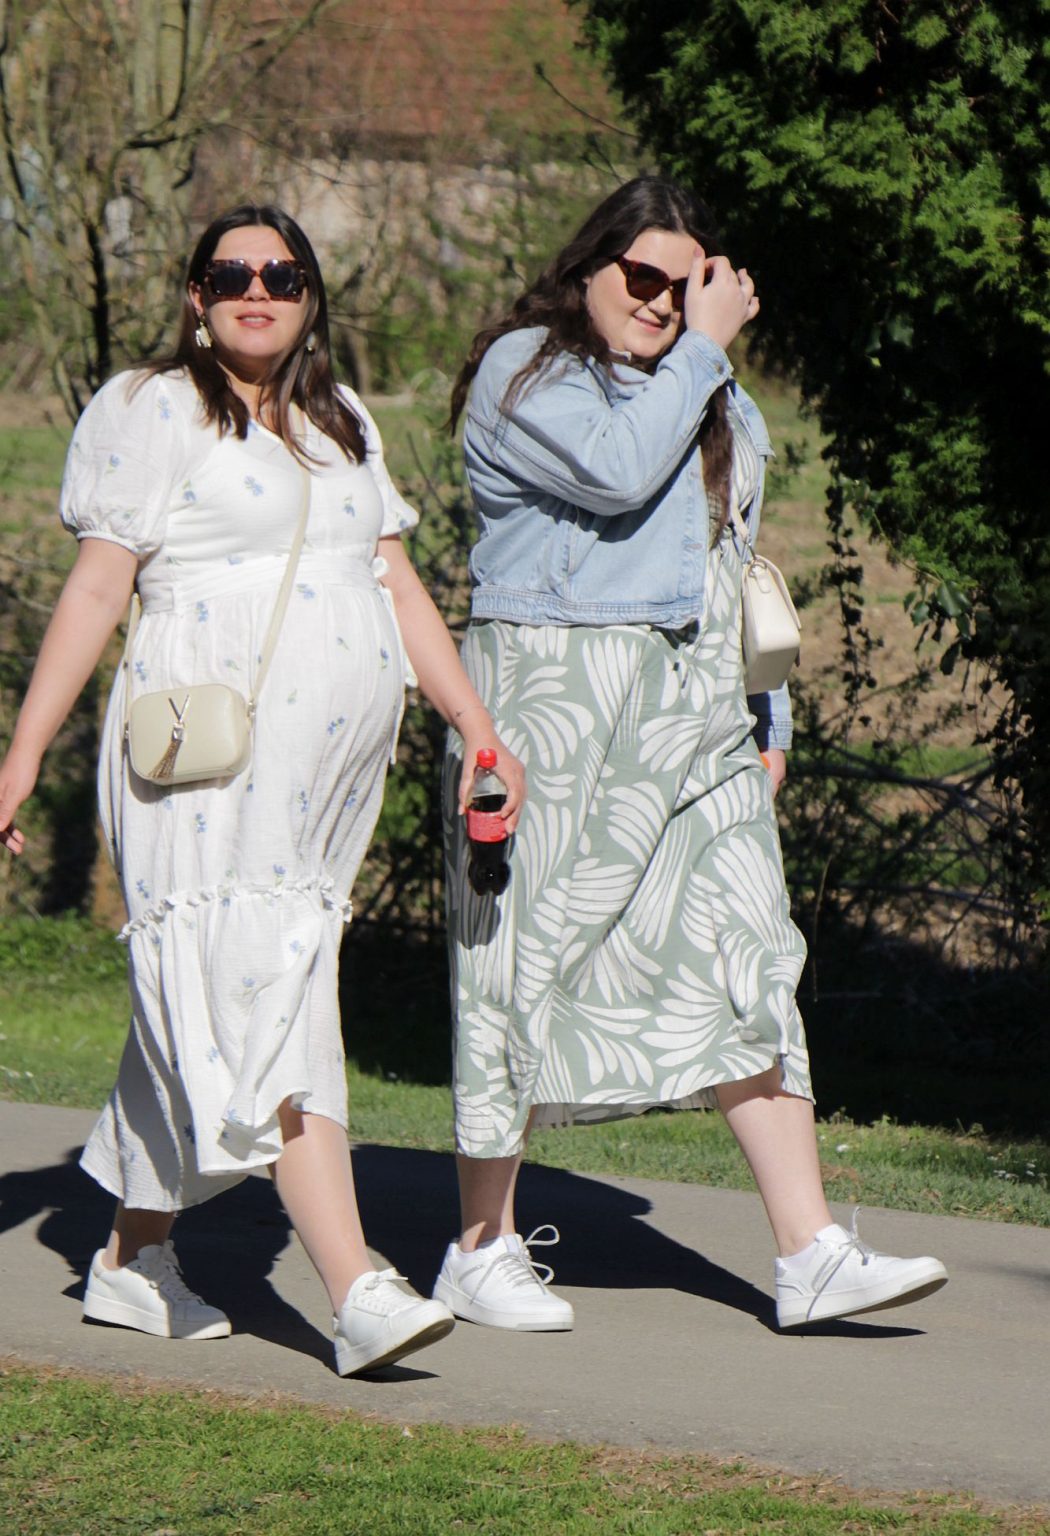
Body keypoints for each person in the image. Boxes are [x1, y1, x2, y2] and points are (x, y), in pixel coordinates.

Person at [0, 203, 524, 1376]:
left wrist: (476, 726)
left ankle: (132, 1260)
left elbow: (394, 582)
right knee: (268, 991)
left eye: (282, 274)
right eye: (230, 272)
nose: (257, 289)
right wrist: (22, 756)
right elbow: (97, 591)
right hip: (202, 769)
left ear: (310, 298)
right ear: (195, 295)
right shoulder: (151, 407)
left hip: (319, 787)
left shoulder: (343, 423)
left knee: (227, 992)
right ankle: (356, 1289)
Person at [433, 176, 948, 1333]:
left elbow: (731, 559)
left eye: (687, 283)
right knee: (518, 966)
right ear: (589, 267)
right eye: (643, 276)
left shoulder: (710, 394)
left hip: (698, 710)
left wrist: (767, 715)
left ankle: (810, 1251)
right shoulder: (527, 371)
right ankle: (480, 1246)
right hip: (556, 701)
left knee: (751, 947)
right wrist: (709, 349)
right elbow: (617, 470)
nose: (663, 301)